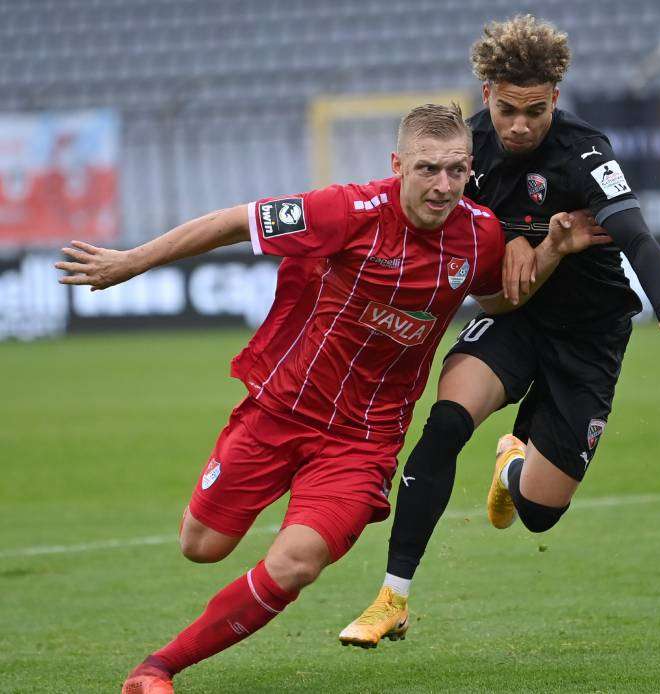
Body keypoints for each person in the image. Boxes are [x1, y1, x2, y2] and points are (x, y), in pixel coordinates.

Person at [56, 104, 600, 693]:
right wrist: (130, 262)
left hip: (364, 442)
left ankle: (158, 668)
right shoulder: (345, 209)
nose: (443, 186)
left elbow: (497, 302)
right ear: (397, 165)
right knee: (202, 545)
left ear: (470, 169)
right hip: (280, 410)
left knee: (295, 563)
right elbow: (234, 221)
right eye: (427, 170)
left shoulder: (479, 232)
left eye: (456, 170)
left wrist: (549, 252)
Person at [338, 15, 660, 648]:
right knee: (443, 427)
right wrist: (524, 242)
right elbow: (438, 230)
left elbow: (633, 230)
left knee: (540, 513)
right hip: (511, 318)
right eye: (507, 109)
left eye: (536, 110)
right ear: (486, 92)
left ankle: (513, 462)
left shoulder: (586, 152)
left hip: (589, 335)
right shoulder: (464, 152)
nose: (520, 125)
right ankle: (392, 597)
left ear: (558, 95)